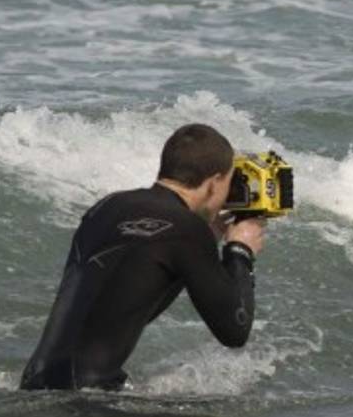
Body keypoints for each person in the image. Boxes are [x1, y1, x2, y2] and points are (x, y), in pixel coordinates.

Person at [20, 124, 266, 391]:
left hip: (34, 385)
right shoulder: (187, 230)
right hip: (88, 403)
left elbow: (122, 306)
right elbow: (235, 331)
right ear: (215, 182)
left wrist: (203, 244)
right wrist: (240, 251)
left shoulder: (107, 206)